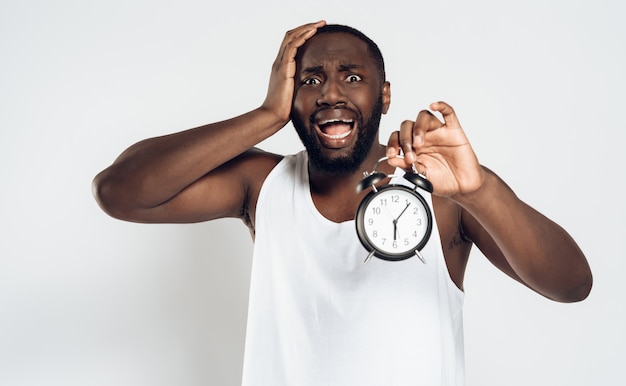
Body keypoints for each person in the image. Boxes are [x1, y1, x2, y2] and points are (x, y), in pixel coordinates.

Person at [92, 20, 592, 385]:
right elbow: (119, 191)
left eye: (352, 77)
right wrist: (266, 115)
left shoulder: (446, 192)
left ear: (385, 94)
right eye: (310, 80)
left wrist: (479, 189)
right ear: (290, 95)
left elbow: (572, 284)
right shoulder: (260, 183)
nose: (331, 93)